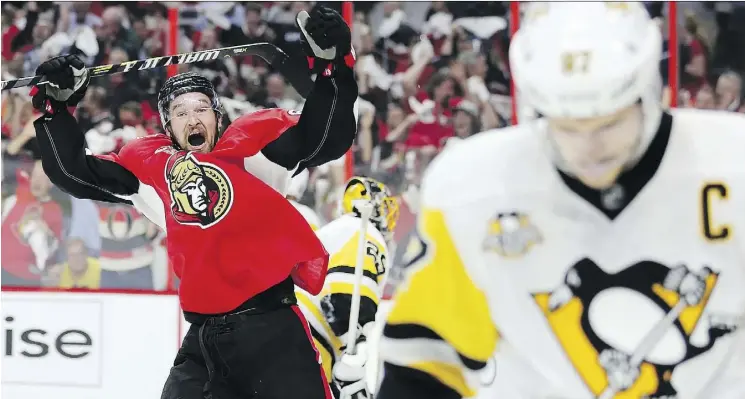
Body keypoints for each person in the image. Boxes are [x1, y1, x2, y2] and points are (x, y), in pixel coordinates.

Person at [377, 3, 745, 399]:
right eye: (567, 126)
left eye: (609, 123)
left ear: (647, 92)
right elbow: (426, 364)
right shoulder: (473, 191)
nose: (589, 148)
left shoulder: (733, 166)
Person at [32, 6, 358, 399]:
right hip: (204, 342)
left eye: (201, 108)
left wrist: (333, 66)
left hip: (271, 333)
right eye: (180, 112)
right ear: (168, 127)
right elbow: (73, 173)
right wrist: (57, 110)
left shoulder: (257, 152)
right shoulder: (152, 173)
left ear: (218, 117)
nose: (192, 118)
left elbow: (326, 137)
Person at [296, 176, 399, 399]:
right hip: (306, 341)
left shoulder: (334, 230)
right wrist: (356, 352)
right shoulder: (364, 232)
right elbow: (346, 299)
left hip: (292, 331)